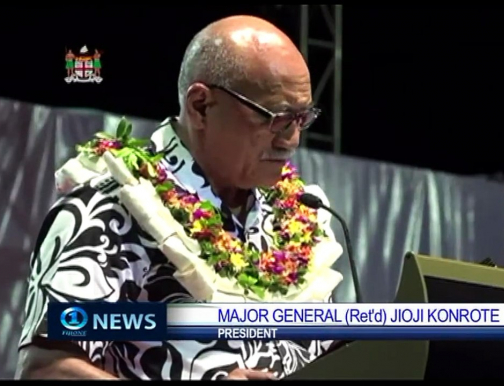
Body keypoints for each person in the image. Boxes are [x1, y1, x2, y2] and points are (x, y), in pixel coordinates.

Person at [17, 15, 334, 380]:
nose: (291, 139)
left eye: (301, 118)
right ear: (201, 106)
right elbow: (46, 370)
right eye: (276, 118)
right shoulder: (109, 209)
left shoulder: (296, 222)